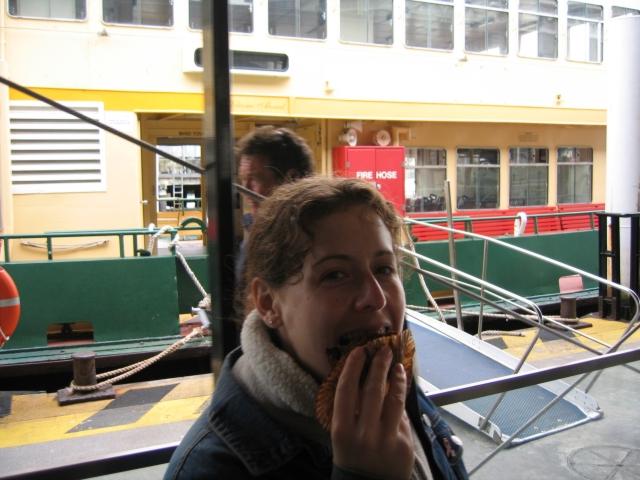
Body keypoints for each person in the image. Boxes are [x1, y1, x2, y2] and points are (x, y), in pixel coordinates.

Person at [165, 177, 468, 480]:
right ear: (268, 303)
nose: (376, 298)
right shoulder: (208, 470)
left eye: (384, 269)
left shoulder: (393, 378)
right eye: (335, 275)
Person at [234, 125, 315, 281]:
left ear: (291, 179)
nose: (245, 190)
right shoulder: (257, 231)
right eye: (243, 180)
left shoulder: (313, 239)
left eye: (255, 179)